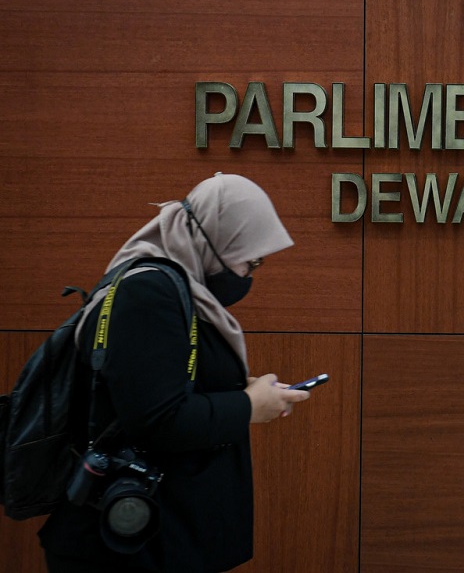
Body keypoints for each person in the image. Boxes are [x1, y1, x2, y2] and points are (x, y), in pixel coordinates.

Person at [38, 172, 311, 572]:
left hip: (157, 537)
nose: (249, 274)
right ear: (215, 238)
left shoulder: (175, 290)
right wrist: (247, 406)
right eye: (249, 260)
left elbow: (164, 385)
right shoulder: (148, 293)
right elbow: (157, 419)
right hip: (129, 549)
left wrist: (242, 390)